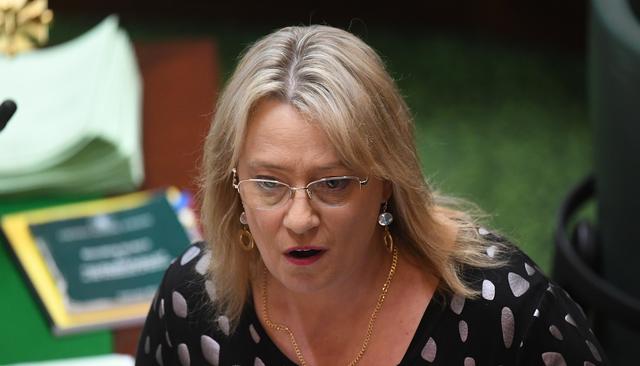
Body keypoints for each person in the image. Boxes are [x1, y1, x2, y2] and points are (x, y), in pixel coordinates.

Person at [136, 25, 607, 366]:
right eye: (269, 184)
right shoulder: (194, 301)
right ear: (233, 184)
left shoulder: (507, 313)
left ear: (386, 182)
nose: (299, 219)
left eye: (333, 184)